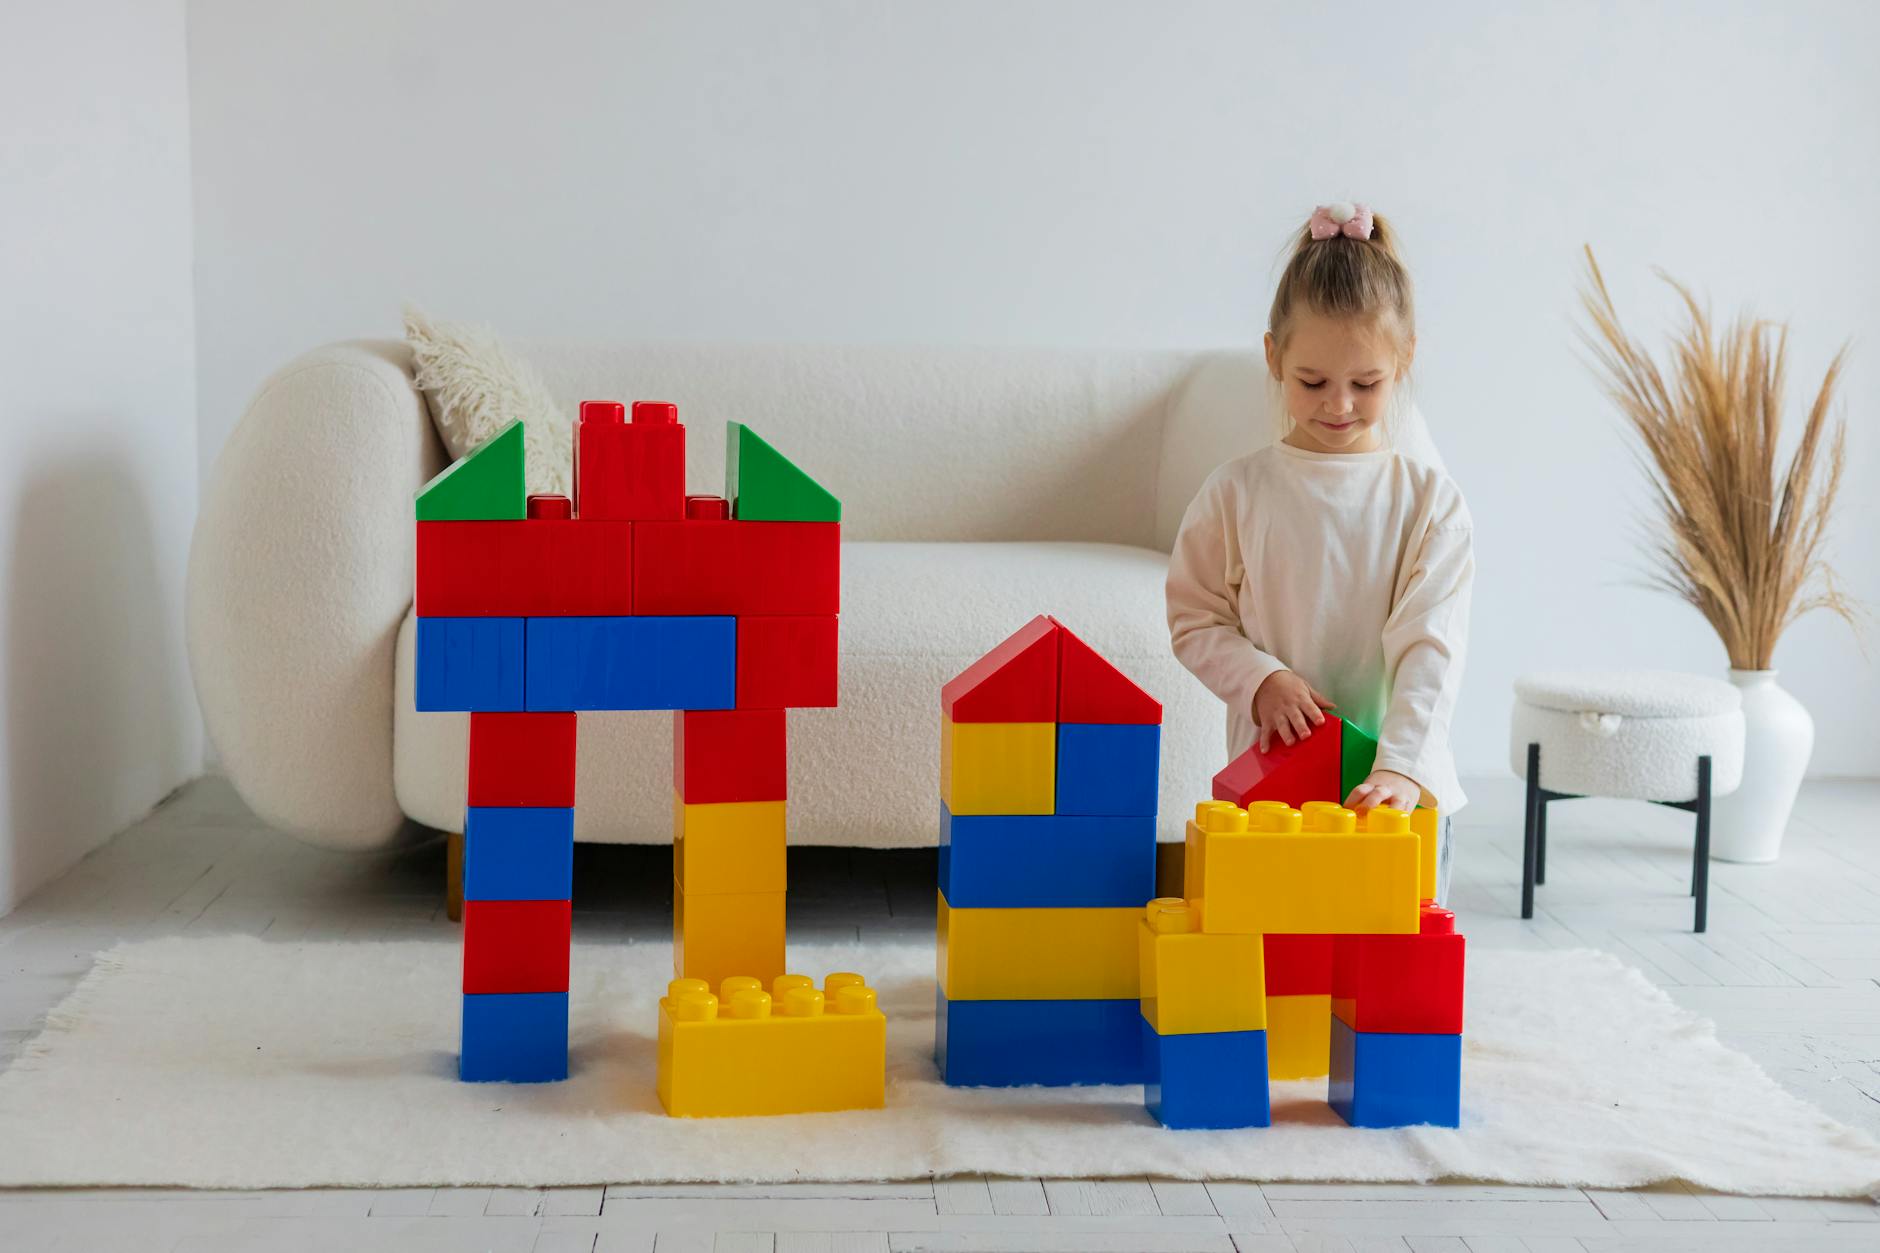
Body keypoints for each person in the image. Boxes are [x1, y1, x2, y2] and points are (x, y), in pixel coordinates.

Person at [1165, 202, 1474, 902]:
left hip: (1395, 799)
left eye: (1366, 384)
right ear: (1273, 357)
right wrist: (1260, 679)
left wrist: (1399, 765)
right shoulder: (1236, 492)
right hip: (1275, 789)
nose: (1339, 405)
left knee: (1388, 960)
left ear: (1405, 359)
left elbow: (1432, 650)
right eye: (1313, 382)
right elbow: (1194, 617)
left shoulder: (1430, 502)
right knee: (1277, 957)